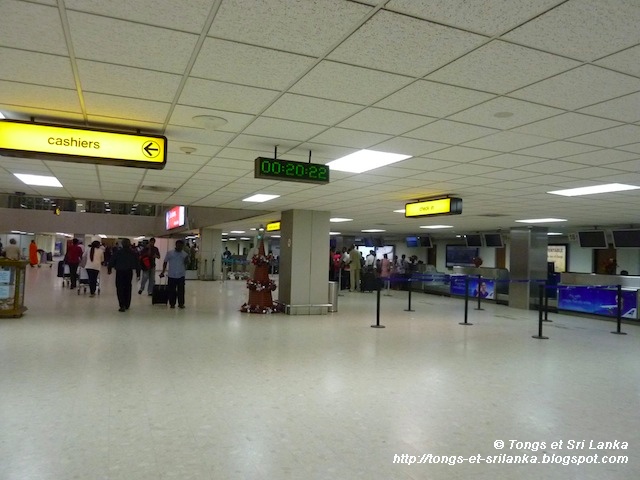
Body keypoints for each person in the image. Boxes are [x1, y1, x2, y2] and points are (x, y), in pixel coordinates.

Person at [108, 238, 139, 312]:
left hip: (120, 272)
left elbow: (112, 261)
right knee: (128, 287)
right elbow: (137, 264)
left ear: (122, 244)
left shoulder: (118, 252)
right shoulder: (133, 253)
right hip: (129, 272)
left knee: (120, 288)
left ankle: (122, 305)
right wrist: (138, 274)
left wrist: (109, 269)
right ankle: (127, 304)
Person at [160, 240, 188, 309]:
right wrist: (163, 272)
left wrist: (187, 261)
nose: (180, 247)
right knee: (171, 290)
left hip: (181, 275)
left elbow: (186, 264)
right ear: (176, 245)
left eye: (181, 246)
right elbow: (165, 262)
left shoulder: (185, 254)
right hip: (171, 275)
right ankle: (172, 303)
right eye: (178, 245)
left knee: (181, 291)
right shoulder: (170, 253)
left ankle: (181, 304)